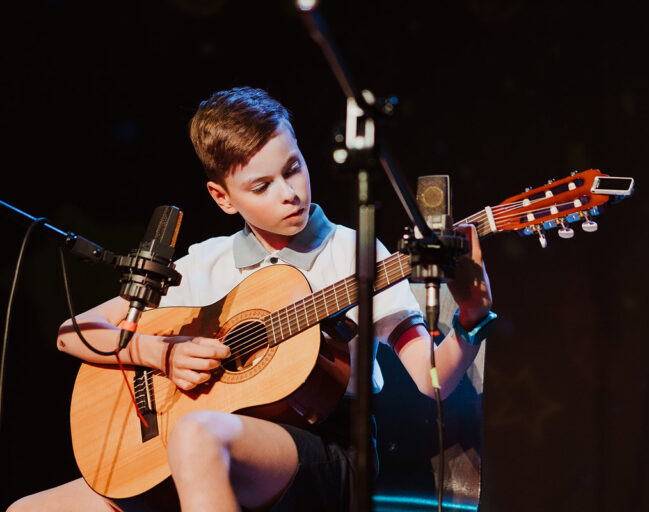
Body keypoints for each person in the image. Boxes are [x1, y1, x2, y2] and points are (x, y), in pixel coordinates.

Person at [7, 86, 494, 512]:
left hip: (324, 453)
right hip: (196, 452)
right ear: (222, 197)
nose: (289, 193)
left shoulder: (354, 250)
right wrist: (161, 352)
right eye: (261, 186)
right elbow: (75, 334)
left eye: (293, 168)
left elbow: (432, 380)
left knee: (196, 436)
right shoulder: (206, 262)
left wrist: (471, 318)